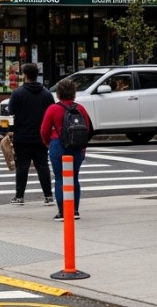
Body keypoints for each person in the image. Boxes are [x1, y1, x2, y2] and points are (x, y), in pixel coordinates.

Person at [41, 78, 92, 221]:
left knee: (59, 179)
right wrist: (83, 149)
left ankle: (62, 212)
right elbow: (86, 129)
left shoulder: (53, 109)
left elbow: (44, 130)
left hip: (57, 145)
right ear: (74, 93)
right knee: (74, 178)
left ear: (58, 93)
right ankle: (75, 210)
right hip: (76, 147)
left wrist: (48, 143)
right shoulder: (80, 108)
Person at [6, 63, 54, 206]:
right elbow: (50, 113)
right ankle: (48, 196)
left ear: (24, 75)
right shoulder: (46, 93)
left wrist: (10, 130)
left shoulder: (17, 93)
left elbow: (11, 115)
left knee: (22, 166)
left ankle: (19, 197)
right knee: (43, 165)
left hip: (22, 136)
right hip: (41, 136)